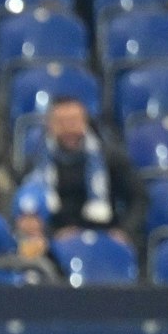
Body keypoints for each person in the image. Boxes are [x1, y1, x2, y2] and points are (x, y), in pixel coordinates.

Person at [28, 94, 143, 240]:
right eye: (62, 122)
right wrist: (51, 234)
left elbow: (138, 198)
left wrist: (124, 231)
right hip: (56, 240)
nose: (69, 128)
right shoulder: (37, 164)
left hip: (104, 236)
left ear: (85, 122)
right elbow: (28, 213)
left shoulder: (110, 157)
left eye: (74, 121)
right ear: (50, 125)